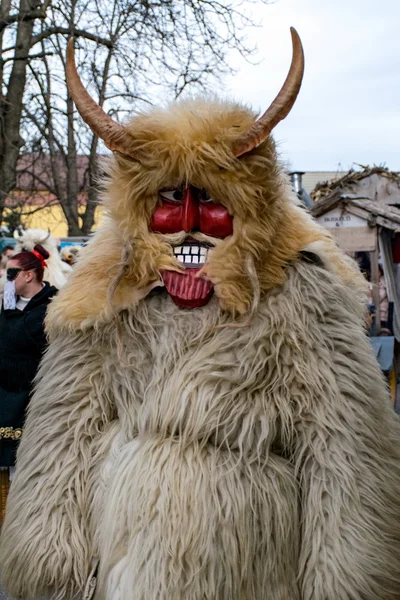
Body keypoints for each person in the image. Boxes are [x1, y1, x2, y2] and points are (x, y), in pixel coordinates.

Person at [2, 30, 400, 600]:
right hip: (124, 576)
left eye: (211, 200)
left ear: (250, 204)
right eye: (167, 200)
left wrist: (349, 584)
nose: (188, 221)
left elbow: (348, 459)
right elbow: (65, 435)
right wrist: (52, 573)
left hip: (258, 575)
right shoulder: (106, 296)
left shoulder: (300, 294)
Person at [0, 244, 57, 482]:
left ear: (28, 275)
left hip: (33, 397)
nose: (6, 279)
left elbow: (17, 337)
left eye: (10, 274)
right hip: (6, 394)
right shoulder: (10, 304)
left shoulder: (53, 307)